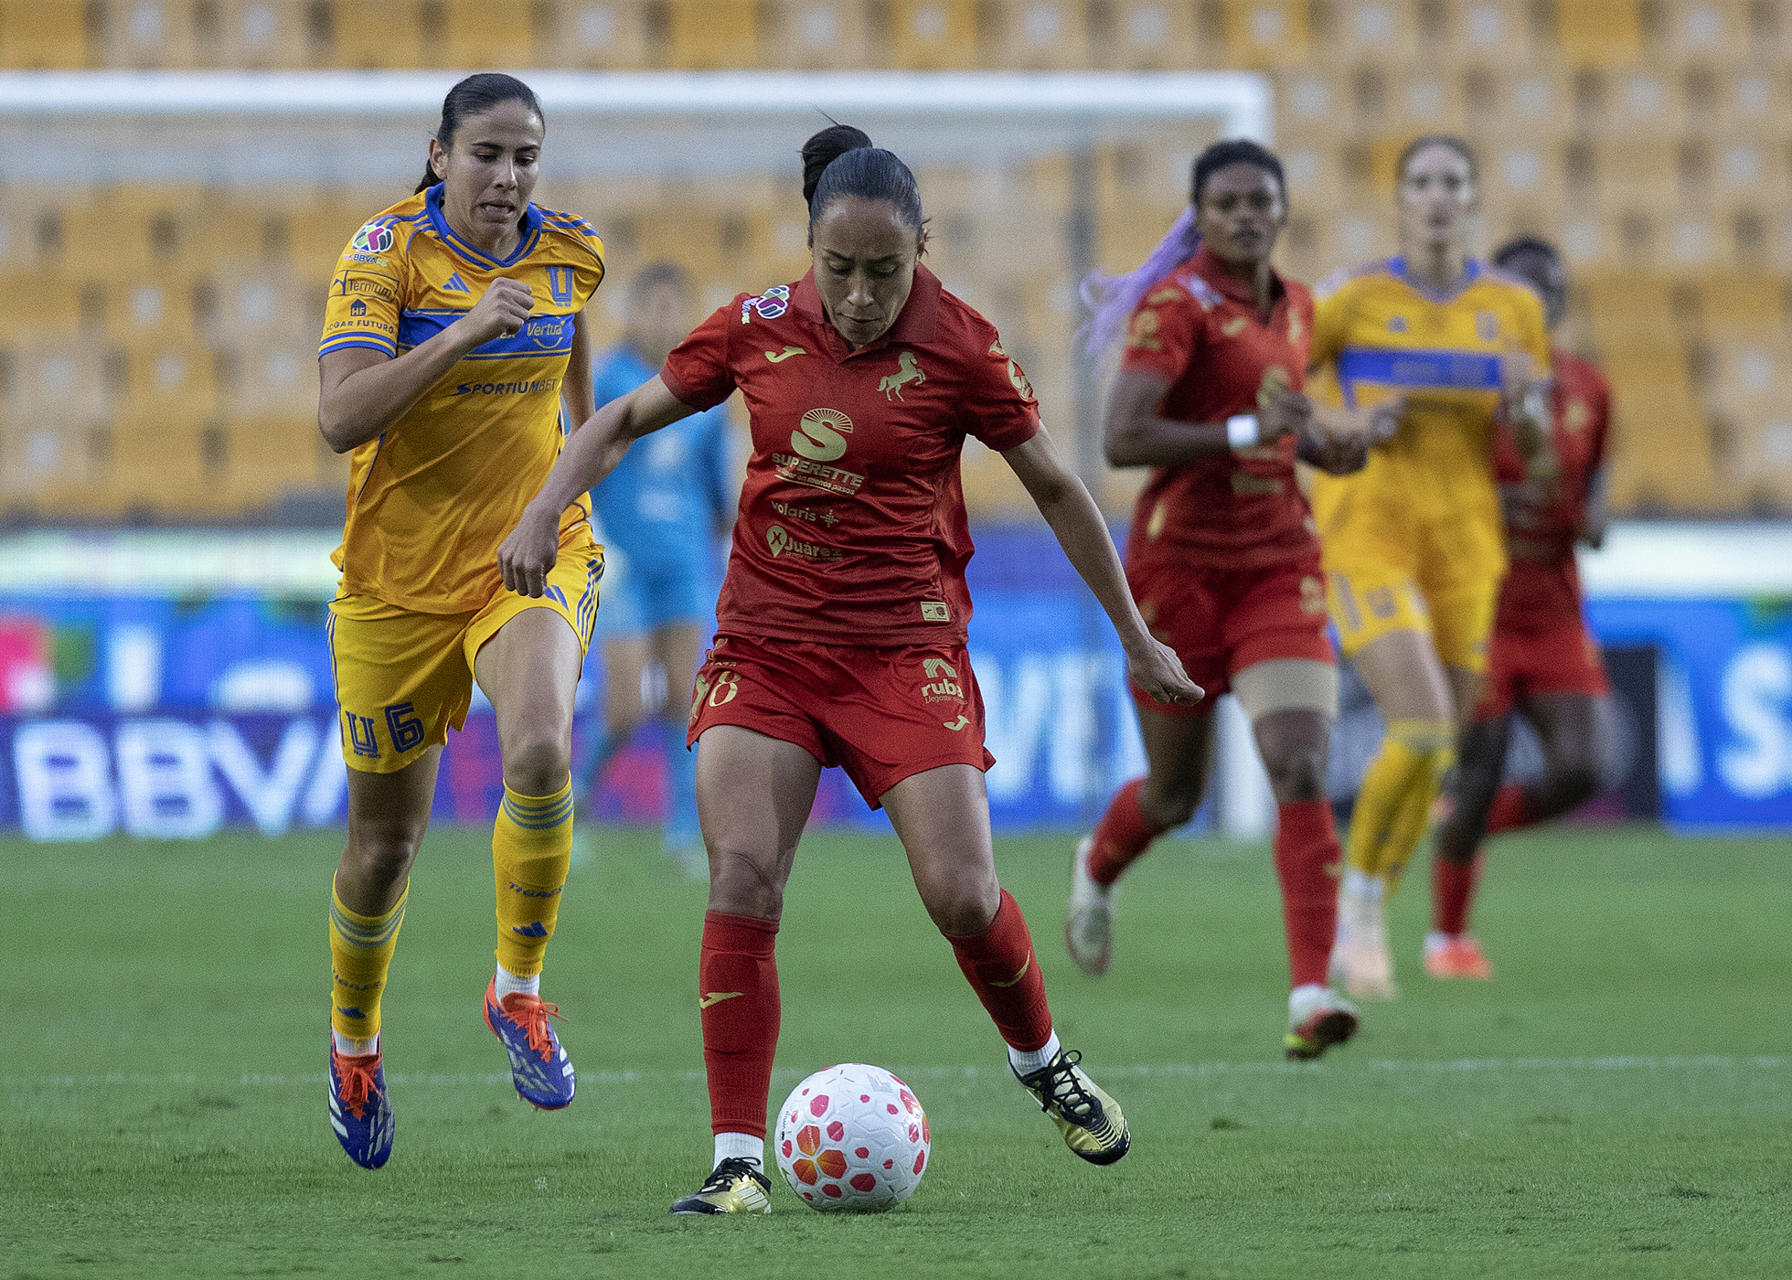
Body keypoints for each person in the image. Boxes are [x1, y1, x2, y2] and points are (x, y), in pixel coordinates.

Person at [501, 124, 1201, 1214]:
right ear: (810, 249)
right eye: (840, 269)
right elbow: (623, 418)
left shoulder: (962, 345)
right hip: (767, 645)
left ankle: (1043, 1061)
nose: (863, 295)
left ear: (923, 247)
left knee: (962, 893)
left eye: (886, 269)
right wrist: (547, 505)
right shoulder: (756, 326)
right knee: (743, 875)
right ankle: (737, 1161)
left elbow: (1059, 488)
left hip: (904, 650)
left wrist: (1135, 635)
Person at [314, 73, 606, 1170]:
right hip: (395, 584)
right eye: (487, 153)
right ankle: (354, 1045)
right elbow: (340, 417)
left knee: (539, 747)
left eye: (526, 156)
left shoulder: (571, 254)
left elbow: (579, 405)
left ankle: (517, 991)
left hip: (528, 552)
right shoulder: (383, 255)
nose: (509, 176)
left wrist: (555, 500)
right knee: (383, 848)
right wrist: (466, 331)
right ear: (439, 155)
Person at [1064, 140, 1373, 1059]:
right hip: (1181, 574)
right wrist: (1246, 431)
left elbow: (1279, 422)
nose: (1245, 216)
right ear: (1199, 217)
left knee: (1300, 766)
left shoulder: (1300, 306)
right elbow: (1123, 439)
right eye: (1228, 203)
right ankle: (1097, 863)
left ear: (1282, 212)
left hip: (1278, 564)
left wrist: (1326, 447)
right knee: (1174, 796)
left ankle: (1312, 993)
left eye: (1259, 201)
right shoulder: (1178, 306)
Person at [1307, 136, 1555, 1000]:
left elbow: (1536, 453)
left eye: (1453, 181)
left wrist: (1527, 410)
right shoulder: (1351, 300)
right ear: (1401, 199)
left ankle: (1370, 899)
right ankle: (1357, 906)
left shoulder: (1513, 308)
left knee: (1441, 744)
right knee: (1417, 724)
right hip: (1367, 531)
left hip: (1466, 545)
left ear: (1475, 197)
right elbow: (1283, 391)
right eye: (1422, 182)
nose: (1438, 196)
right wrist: (1347, 424)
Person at [1428, 235, 1614, 978]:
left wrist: (1595, 518)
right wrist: (1490, 506)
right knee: (1480, 767)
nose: (1542, 303)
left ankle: (1462, 831)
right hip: (1478, 607)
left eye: (1553, 290)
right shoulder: (1461, 389)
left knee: (1586, 767)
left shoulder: (1590, 387)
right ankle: (1448, 940)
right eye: (1526, 290)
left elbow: (1595, 486)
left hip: (1556, 611)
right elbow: (1427, 494)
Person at [582, 263, 734, 863]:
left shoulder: (707, 392)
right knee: (624, 706)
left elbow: (717, 491)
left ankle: (682, 835)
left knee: (682, 700)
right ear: (635, 312)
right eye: (654, 307)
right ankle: (570, 809)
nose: (663, 318)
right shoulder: (607, 379)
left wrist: (718, 544)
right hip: (623, 565)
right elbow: (580, 461)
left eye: (674, 308)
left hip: (684, 564)